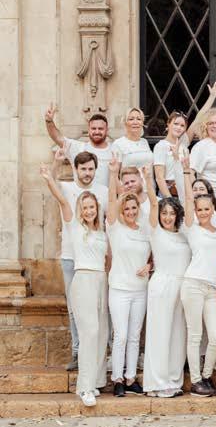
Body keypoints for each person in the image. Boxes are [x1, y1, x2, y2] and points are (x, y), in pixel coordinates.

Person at [40, 164, 108, 407]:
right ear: (80, 209)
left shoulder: (102, 232)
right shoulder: (75, 226)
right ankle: (85, 388)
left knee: (101, 333)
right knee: (90, 332)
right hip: (83, 280)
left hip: (101, 281)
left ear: (97, 209)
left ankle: (95, 381)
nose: (89, 211)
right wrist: (50, 178)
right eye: (85, 207)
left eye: (92, 207)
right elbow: (61, 200)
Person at [50, 148, 108, 372]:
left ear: (95, 170)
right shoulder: (67, 188)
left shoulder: (102, 191)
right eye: (83, 168)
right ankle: (77, 351)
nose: (87, 172)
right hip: (70, 258)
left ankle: (98, 353)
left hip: (95, 261)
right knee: (74, 309)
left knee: (99, 310)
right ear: (75, 169)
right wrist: (56, 163)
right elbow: (50, 183)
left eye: (91, 169)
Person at [141, 166, 191, 398]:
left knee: (178, 334)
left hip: (182, 285)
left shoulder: (183, 234)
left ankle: (173, 379)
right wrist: (148, 179)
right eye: (164, 213)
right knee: (159, 333)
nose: (168, 217)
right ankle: (156, 383)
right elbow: (153, 203)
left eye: (171, 213)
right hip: (162, 283)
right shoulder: (155, 231)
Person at [106, 157, 152, 398]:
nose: (131, 212)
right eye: (127, 209)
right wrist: (114, 175)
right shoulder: (115, 227)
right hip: (120, 289)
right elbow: (111, 203)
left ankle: (132, 377)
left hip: (140, 289)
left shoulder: (144, 230)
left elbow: (153, 254)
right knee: (121, 335)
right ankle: (117, 379)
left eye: (134, 208)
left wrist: (149, 265)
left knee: (135, 336)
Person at [180, 153, 216, 397]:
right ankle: (196, 381)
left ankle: (207, 376)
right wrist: (187, 172)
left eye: (207, 208)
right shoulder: (192, 229)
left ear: (213, 209)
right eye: (200, 209)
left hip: (210, 288)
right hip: (193, 284)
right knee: (195, 335)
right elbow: (189, 199)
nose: (204, 212)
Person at [153, 82, 216, 198]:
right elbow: (159, 178)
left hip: (186, 191)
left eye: (182, 126)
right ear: (168, 124)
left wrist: (212, 97)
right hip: (171, 193)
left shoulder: (183, 143)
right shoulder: (161, 146)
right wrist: (169, 199)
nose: (178, 127)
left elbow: (199, 118)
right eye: (176, 124)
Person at [44, 105, 114, 186]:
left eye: (100, 129)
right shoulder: (78, 148)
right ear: (89, 130)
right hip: (81, 194)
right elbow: (57, 137)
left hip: (106, 194)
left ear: (107, 130)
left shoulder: (114, 149)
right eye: (93, 128)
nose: (97, 132)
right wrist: (49, 121)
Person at [189, 108, 216, 203]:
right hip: (208, 198)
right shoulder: (201, 146)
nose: (215, 126)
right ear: (205, 126)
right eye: (210, 123)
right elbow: (190, 173)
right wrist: (196, 196)